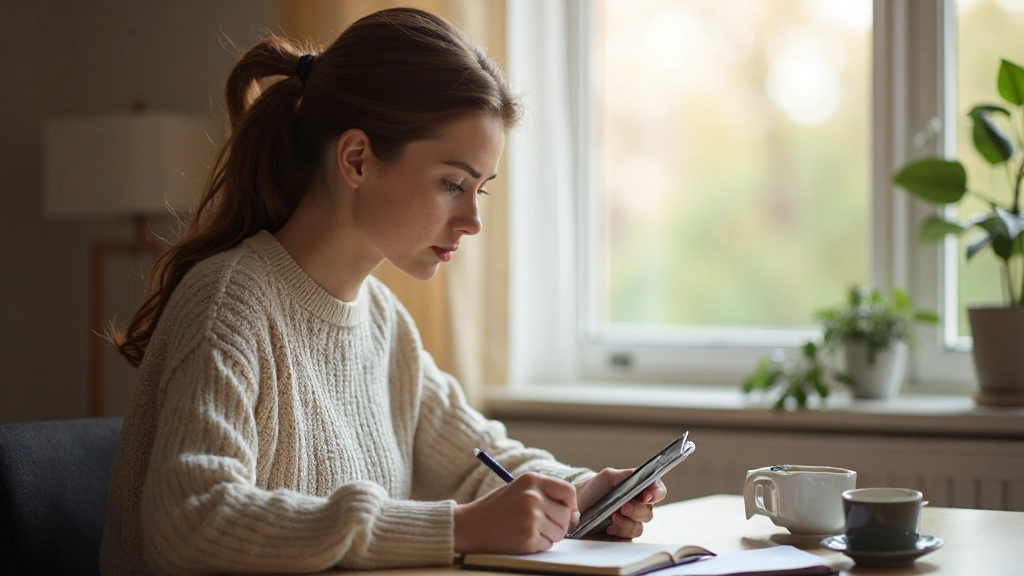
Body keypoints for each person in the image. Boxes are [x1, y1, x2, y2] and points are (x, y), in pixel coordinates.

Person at [100, 8, 667, 575]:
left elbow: (480, 461)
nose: (473, 222)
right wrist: (458, 527)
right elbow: (191, 520)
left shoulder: (383, 324)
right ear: (356, 159)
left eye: (481, 190)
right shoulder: (229, 302)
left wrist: (581, 494)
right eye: (453, 184)